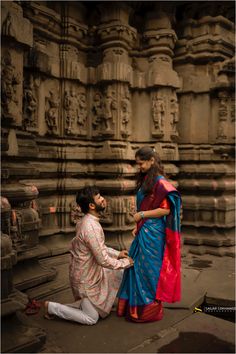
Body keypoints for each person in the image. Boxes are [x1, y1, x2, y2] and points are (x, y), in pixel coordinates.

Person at [44, 186, 134, 325]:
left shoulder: (88, 221)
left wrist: (118, 254)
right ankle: (52, 308)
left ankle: (121, 305)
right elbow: (103, 259)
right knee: (91, 318)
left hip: (89, 272)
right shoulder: (90, 227)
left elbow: (99, 247)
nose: (103, 199)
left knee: (120, 273)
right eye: (99, 198)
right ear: (92, 205)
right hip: (86, 280)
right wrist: (125, 262)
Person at [117, 146, 181, 322]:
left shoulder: (161, 183)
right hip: (145, 230)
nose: (140, 167)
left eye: (142, 163)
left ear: (152, 161)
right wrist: (139, 225)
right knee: (137, 266)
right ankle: (134, 308)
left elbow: (165, 210)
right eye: (138, 164)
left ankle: (148, 311)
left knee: (150, 270)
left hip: (154, 234)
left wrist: (142, 216)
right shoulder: (147, 180)